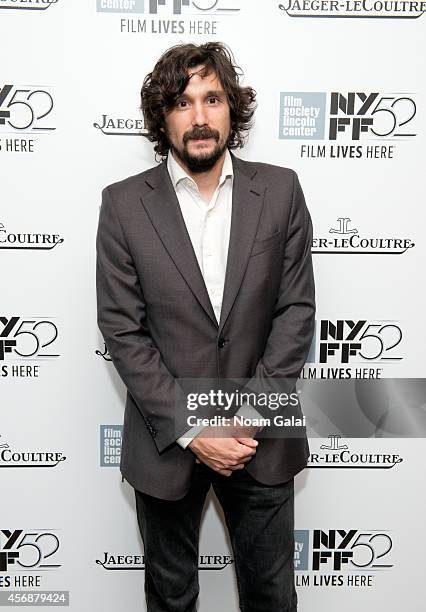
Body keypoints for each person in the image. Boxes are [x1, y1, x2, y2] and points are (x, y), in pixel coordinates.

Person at [96, 41, 315, 612]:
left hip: (259, 437)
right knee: (170, 598)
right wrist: (197, 430)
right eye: (182, 102)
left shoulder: (282, 190)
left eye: (212, 98)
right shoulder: (122, 206)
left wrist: (242, 420)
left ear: (232, 108)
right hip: (167, 444)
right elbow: (124, 332)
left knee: (272, 596)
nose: (198, 117)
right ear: (160, 117)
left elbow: (295, 313)